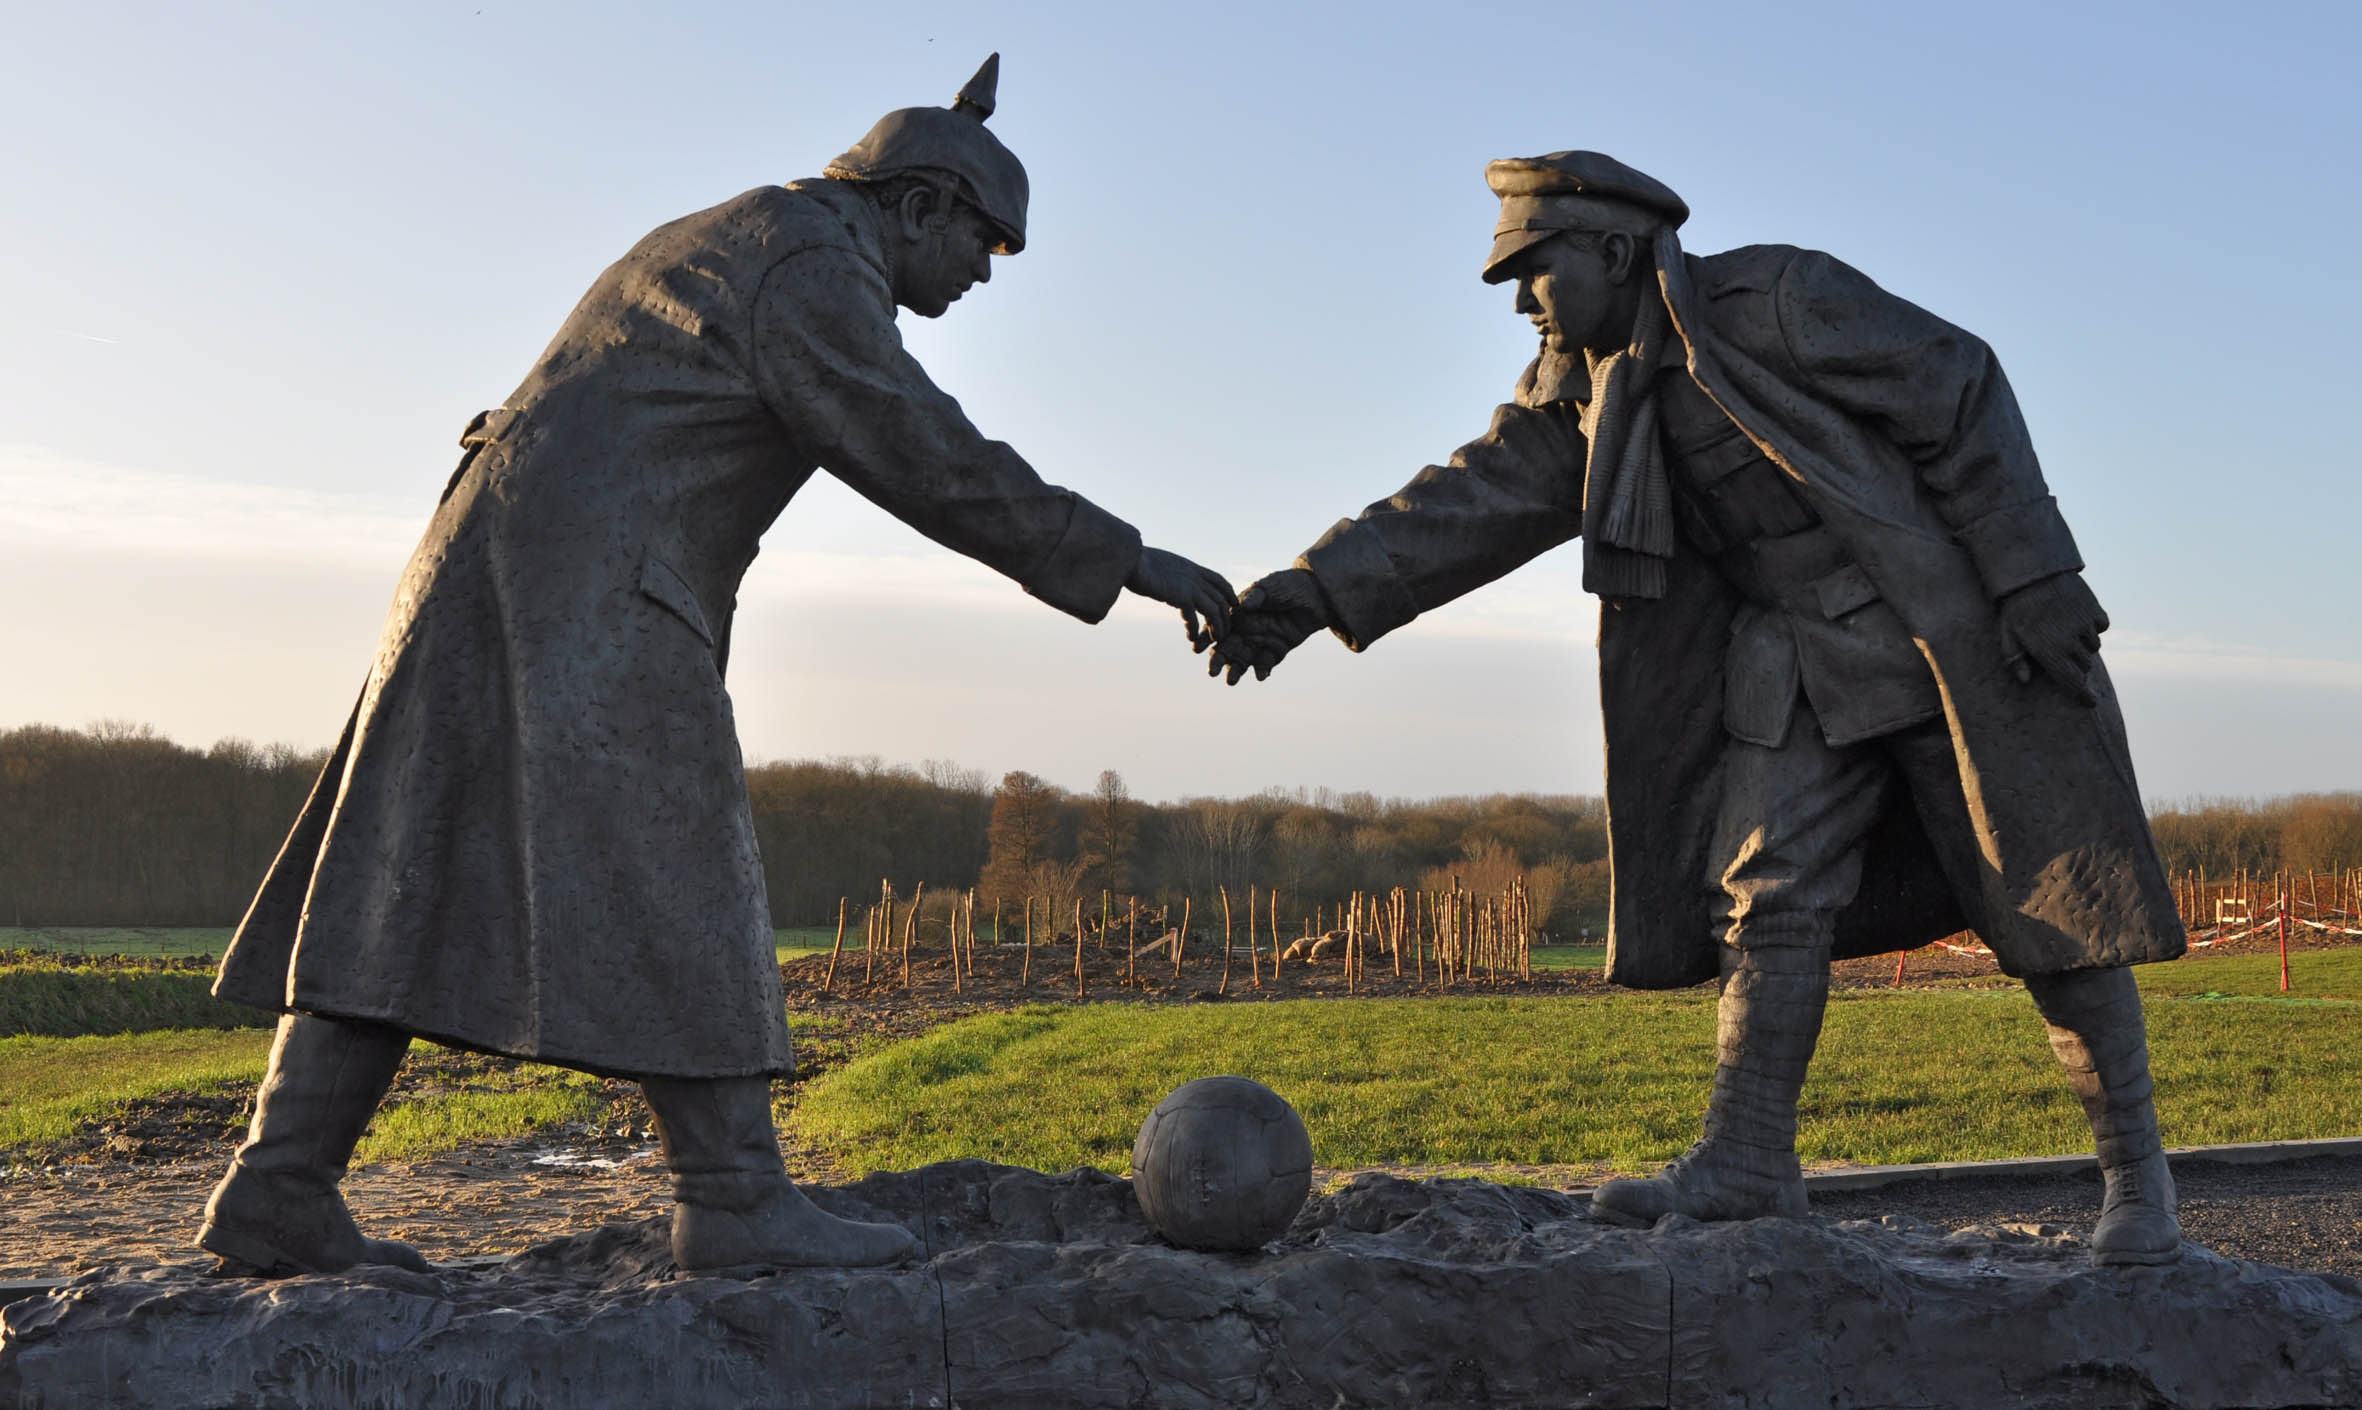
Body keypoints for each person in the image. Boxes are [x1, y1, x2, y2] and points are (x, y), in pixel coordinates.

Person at [200, 55, 1233, 1278]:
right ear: (917, 206)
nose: (978, 280)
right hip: (592, 585)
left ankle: (279, 1187)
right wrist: (1130, 562)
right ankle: (733, 1196)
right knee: (683, 858)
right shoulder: (809, 262)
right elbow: (920, 449)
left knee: (409, 860)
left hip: (484, 563)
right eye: (983, 248)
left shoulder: (737, 230)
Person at [1211, 150, 2185, 1265]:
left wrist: (2033, 576)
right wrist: (1312, 584)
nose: (1525, 303)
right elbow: (1469, 495)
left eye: (1536, 272)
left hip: (1933, 637)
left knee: (2048, 904)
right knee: (1762, 897)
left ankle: (2137, 1187)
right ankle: (1748, 1163)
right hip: (1791, 665)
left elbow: (1957, 384)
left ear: (1614, 251)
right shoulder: (1580, 391)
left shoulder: (1775, 300)